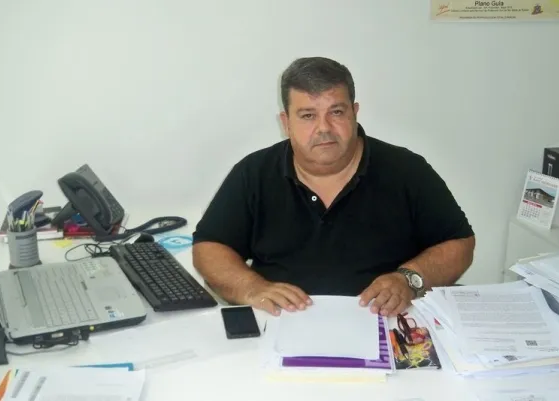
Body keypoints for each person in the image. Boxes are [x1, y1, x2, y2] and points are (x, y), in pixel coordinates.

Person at [192, 57, 475, 317]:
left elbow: (459, 243)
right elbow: (210, 247)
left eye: (336, 112)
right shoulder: (254, 173)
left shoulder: (406, 170)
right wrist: (252, 288)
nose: (324, 128)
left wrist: (409, 279)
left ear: (354, 112)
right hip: (281, 322)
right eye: (307, 115)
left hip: (385, 322)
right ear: (286, 122)